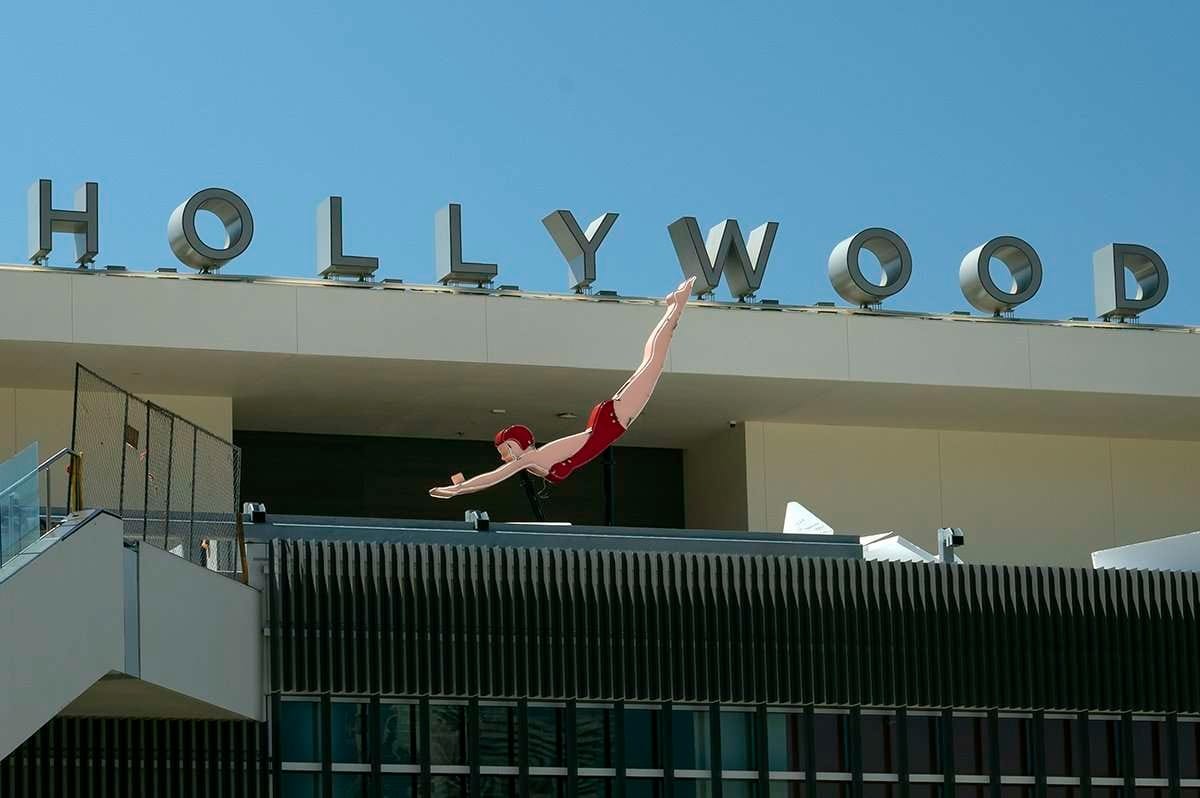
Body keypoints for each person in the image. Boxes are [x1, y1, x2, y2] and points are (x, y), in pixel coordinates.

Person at [429, 276, 696, 499]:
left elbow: (493, 478)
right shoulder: (535, 461)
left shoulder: (530, 459)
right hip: (608, 422)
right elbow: (497, 473)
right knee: (650, 363)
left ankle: (676, 307)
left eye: (505, 451)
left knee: (652, 363)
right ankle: (674, 307)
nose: (504, 459)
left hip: (611, 422)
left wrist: (459, 489)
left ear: (518, 445)